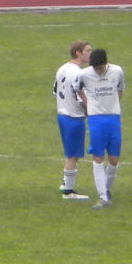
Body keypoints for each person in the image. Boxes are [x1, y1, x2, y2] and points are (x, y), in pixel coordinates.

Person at [79, 48, 125, 208]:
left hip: (113, 119)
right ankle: (103, 197)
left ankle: (106, 189)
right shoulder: (84, 74)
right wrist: (87, 104)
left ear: (106, 63)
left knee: (114, 159)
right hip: (96, 120)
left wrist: (114, 105)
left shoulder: (117, 71)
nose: (97, 71)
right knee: (98, 158)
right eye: (95, 68)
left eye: (99, 68)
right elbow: (76, 88)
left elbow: (120, 89)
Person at [54, 40, 93, 200]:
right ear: (78, 53)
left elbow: (55, 90)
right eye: (88, 50)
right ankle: (68, 192)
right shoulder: (79, 73)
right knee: (73, 154)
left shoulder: (62, 68)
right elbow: (80, 98)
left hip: (62, 114)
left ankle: (65, 183)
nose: (90, 53)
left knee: (71, 152)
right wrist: (90, 111)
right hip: (73, 117)